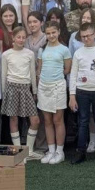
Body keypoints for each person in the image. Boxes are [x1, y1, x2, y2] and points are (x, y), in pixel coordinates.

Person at [68, 23, 95, 164]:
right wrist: (72, 96)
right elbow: (73, 74)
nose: (86, 39)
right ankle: (81, 152)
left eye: (88, 35)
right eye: (83, 36)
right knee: (83, 122)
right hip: (82, 91)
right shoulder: (78, 53)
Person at [1, 25, 41, 157]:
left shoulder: (29, 54)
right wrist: (4, 94)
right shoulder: (6, 55)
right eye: (18, 37)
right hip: (11, 88)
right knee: (14, 119)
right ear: (13, 37)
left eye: (24, 37)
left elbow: (32, 73)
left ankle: (29, 151)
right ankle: (18, 151)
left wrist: (34, 91)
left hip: (26, 89)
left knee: (35, 120)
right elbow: (3, 75)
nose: (21, 40)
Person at [37, 21, 72, 165]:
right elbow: (39, 69)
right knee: (47, 120)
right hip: (43, 87)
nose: (51, 35)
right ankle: (51, 150)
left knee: (58, 120)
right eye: (48, 33)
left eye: (53, 32)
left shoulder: (64, 49)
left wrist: (55, 77)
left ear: (58, 32)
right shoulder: (42, 50)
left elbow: (67, 69)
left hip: (58, 86)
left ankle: (59, 152)